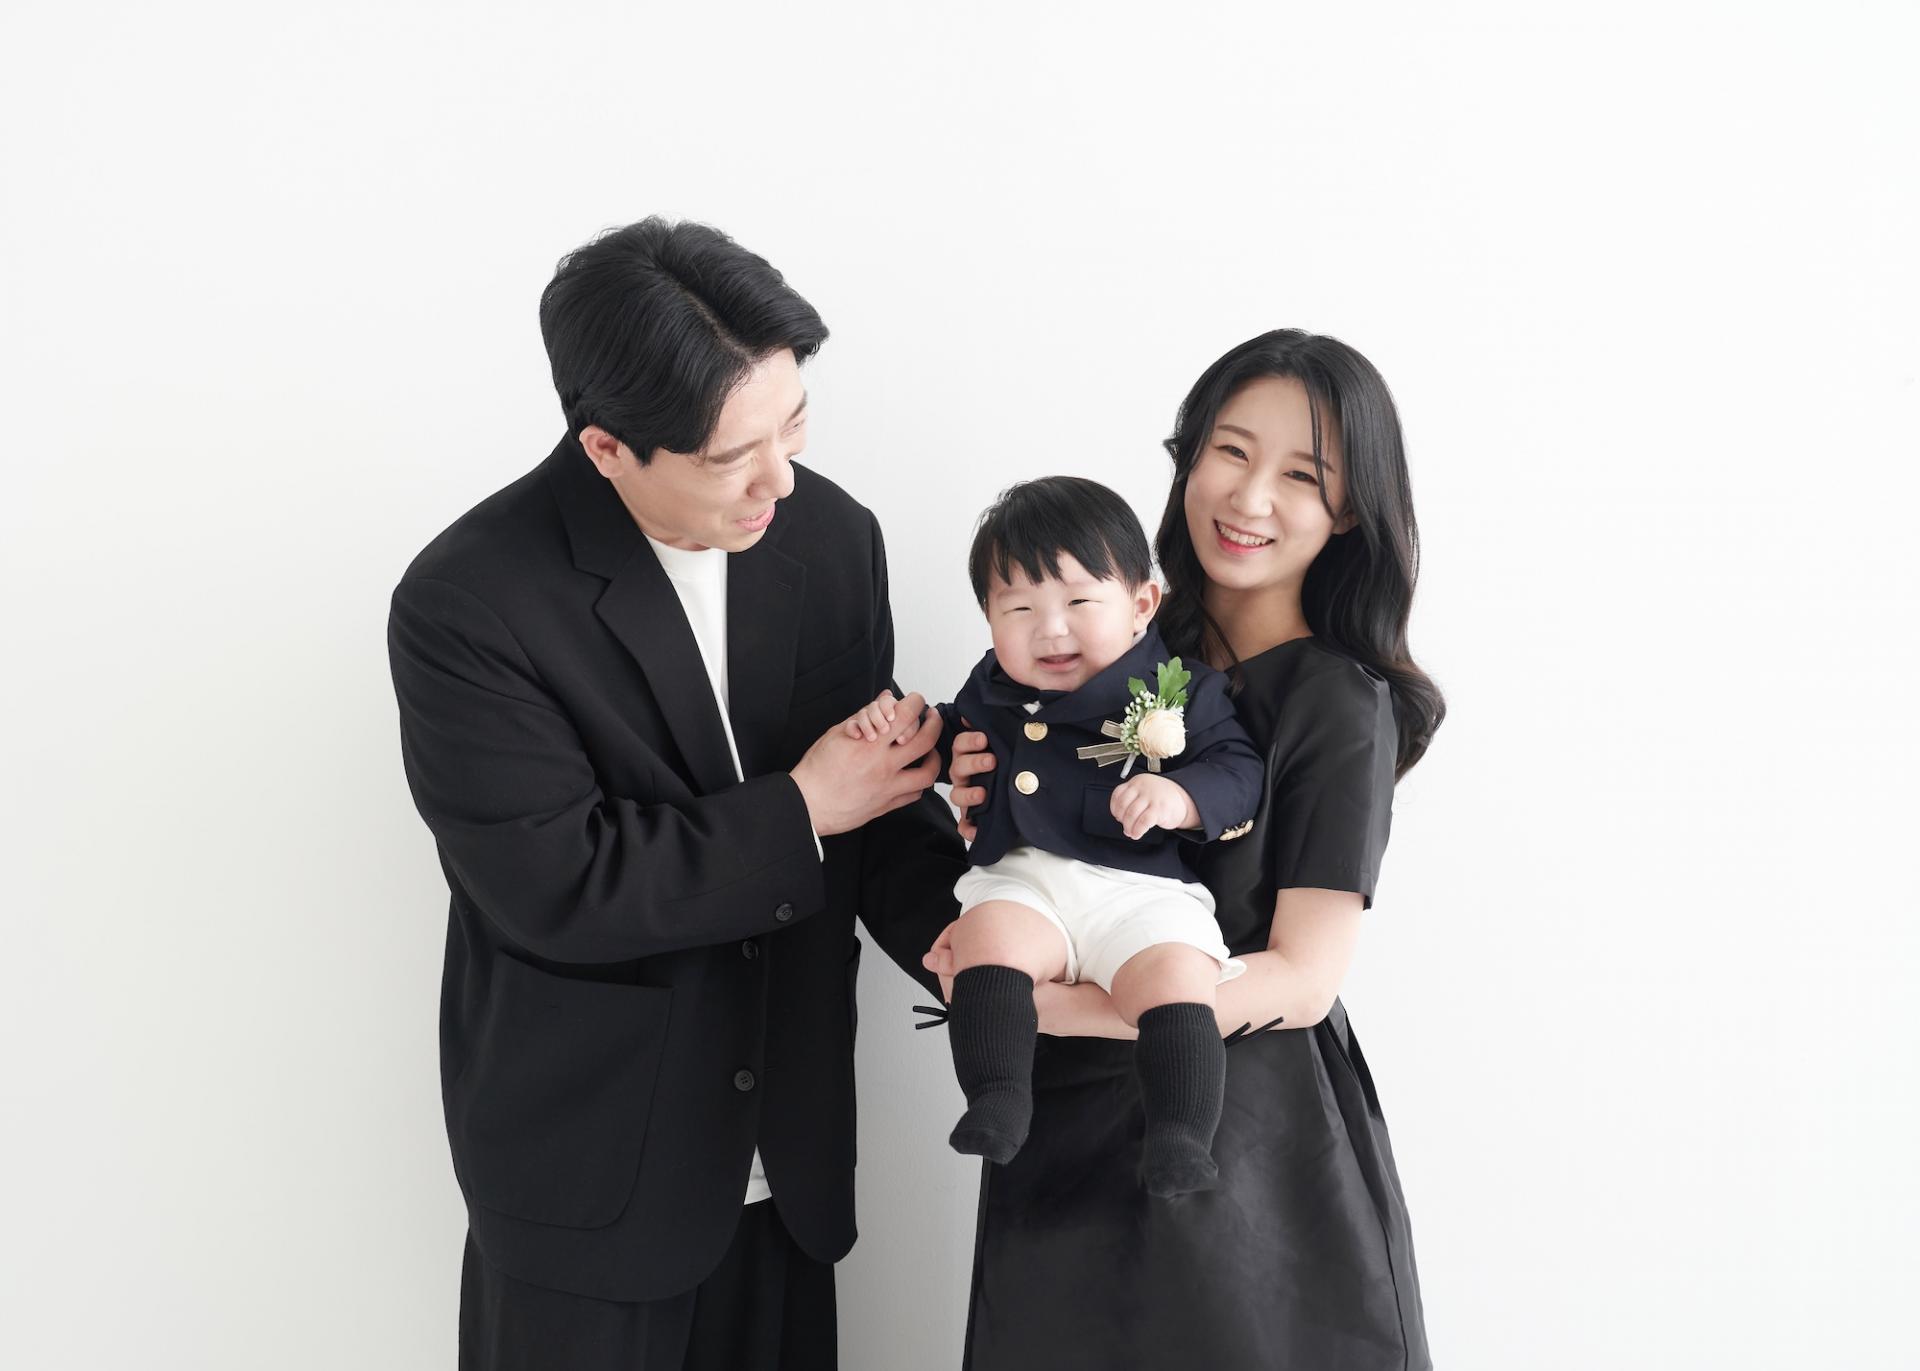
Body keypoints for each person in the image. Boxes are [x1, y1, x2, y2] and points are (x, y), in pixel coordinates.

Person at [387, 217, 966, 1371]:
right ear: (607, 448)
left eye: (793, 424)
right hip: (590, 1187)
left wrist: (984, 948)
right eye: (732, 455)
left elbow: (880, 809)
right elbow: (561, 885)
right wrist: (801, 807)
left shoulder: (831, 537)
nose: (780, 478)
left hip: (791, 1163)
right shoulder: (469, 600)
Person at [934, 330, 1445, 1369]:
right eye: (1231, 451)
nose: (1250, 498)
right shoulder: (1096, 632)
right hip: (1057, 1132)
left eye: (1301, 475)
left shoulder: (1339, 704)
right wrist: (972, 803)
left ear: (1349, 512)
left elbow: (1303, 978)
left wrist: (1041, 1007)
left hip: (1244, 1149)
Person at [843, 477, 1262, 1195]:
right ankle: (998, 1094)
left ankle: (1182, 1134)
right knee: (986, 942)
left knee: (1177, 981)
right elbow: (955, 736)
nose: (1051, 630)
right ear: (988, 618)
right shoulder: (993, 688)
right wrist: (901, 731)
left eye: (1078, 602)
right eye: (1019, 609)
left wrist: (1181, 795)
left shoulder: (1181, 690)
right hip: (1026, 878)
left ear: (1141, 605)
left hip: (1143, 890)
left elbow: (1237, 769)